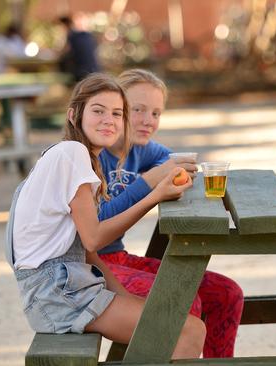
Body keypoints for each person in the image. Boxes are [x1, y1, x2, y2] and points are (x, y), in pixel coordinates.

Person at [5, 73, 204, 359]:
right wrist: (154, 196)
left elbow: (87, 251)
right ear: (74, 115)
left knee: (183, 325)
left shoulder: (76, 157)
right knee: (188, 330)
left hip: (62, 287)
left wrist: (123, 297)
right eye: (98, 111)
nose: (109, 120)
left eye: (117, 113)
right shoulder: (72, 153)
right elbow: (94, 239)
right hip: (58, 293)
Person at [97, 69, 244, 358]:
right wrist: (148, 182)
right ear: (116, 108)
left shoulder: (139, 149)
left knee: (227, 294)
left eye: (156, 113)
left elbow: (170, 158)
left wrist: (170, 169)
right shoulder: (91, 155)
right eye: (137, 109)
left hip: (117, 257)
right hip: (89, 266)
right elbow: (96, 223)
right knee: (181, 300)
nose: (148, 121)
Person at [58, 15, 100, 82]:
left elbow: (64, 52)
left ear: (65, 25)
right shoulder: (88, 35)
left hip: (81, 73)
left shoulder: (72, 37)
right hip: (95, 70)